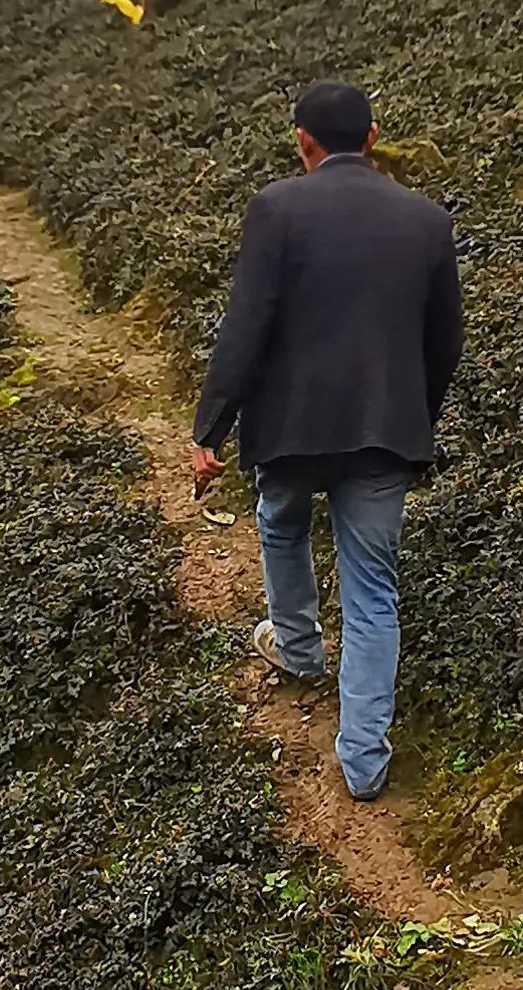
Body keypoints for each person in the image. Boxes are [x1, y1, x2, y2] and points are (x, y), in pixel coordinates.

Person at [190, 78, 462, 801]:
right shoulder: (426, 220)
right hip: (385, 429)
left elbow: (246, 325)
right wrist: (414, 416)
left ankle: (300, 648)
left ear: (302, 142)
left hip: (291, 427)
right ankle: (364, 760)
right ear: (372, 139)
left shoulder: (276, 208)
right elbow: (446, 343)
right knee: (373, 589)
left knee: (280, 523)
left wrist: (211, 426)